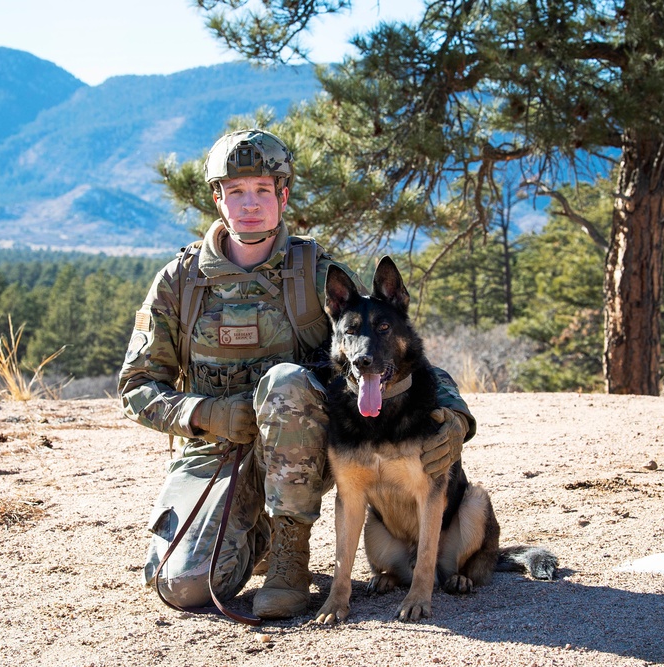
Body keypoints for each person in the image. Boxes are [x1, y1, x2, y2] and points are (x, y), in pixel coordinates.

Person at [118, 128, 476, 620]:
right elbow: (135, 388)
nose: (250, 204)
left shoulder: (313, 271)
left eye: (263, 190)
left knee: (287, 381)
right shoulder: (180, 282)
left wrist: (455, 416)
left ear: (282, 195)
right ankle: (254, 534)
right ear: (217, 198)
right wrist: (207, 413)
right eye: (236, 191)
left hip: (306, 458)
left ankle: (291, 551)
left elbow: (388, 348)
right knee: (182, 587)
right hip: (215, 455)